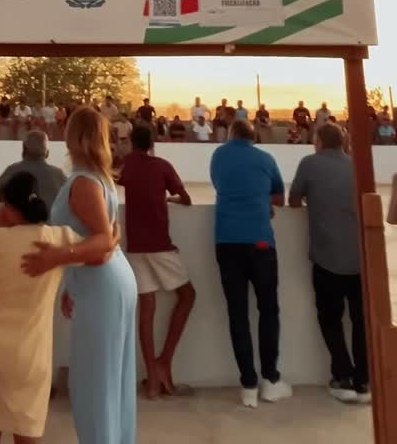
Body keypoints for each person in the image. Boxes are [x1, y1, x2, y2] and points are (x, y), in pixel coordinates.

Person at [0, 170, 116, 443]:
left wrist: (1, 229)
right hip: (31, 348)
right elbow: (102, 253)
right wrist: (113, 236)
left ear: (10, 208)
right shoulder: (59, 238)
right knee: (27, 424)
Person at [25, 106, 137, 444]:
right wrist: (71, 282)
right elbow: (109, 236)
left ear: (72, 135)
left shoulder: (86, 181)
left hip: (103, 285)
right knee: (107, 380)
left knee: (95, 385)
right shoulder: (96, 177)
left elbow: (103, 241)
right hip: (102, 282)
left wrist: (56, 258)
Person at [210, 119, 290, 407]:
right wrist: (263, 201)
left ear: (231, 134)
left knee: (237, 313)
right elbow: (280, 198)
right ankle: (271, 379)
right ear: (253, 137)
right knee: (268, 309)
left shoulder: (219, 155)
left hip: (227, 241)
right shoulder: (266, 159)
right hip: (260, 241)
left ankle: (248, 386)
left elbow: (219, 185)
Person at [289, 122, 369, 403]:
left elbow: (294, 200)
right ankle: (364, 381)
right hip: (360, 259)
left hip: (327, 258)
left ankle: (343, 377)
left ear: (320, 141)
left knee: (330, 318)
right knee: (360, 321)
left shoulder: (309, 163)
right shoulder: (357, 166)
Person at [119, 123, 196, 398]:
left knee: (147, 307)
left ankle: (152, 378)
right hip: (160, 244)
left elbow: (115, 178)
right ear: (152, 143)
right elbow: (186, 199)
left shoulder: (126, 166)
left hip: (135, 245)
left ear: (131, 142)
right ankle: (164, 361)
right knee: (187, 295)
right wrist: (169, 200)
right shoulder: (162, 166)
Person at [0, 129, 66, 211]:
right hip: (52, 219)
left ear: (24, 150)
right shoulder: (59, 175)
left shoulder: (12, 171)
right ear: (47, 153)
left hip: (20, 219)